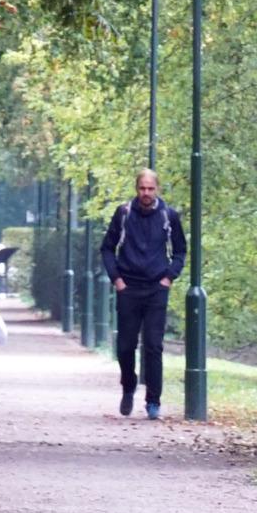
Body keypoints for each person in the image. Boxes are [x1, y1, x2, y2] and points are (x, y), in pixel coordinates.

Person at [98, 166, 186, 419]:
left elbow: (180, 251)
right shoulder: (124, 214)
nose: (146, 193)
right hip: (128, 287)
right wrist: (117, 279)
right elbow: (107, 248)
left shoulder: (169, 216)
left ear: (157, 189)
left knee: (154, 346)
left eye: (150, 188)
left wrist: (169, 277)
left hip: (157, 288)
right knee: (125, 346)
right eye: (142, 188)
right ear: (136, 189)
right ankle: (128, 386)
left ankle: (153, 401)